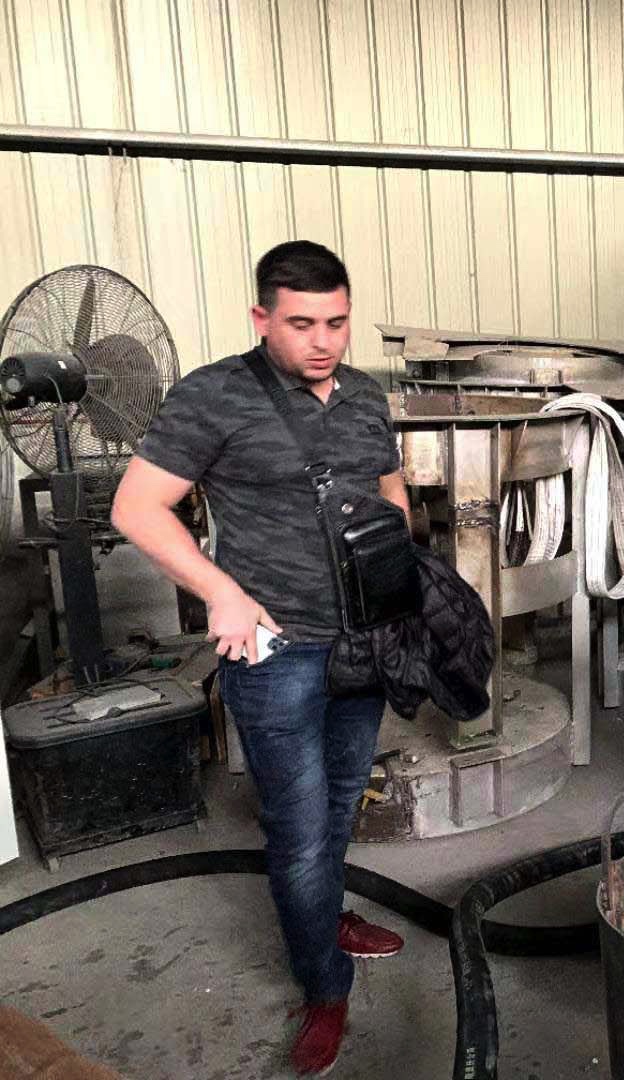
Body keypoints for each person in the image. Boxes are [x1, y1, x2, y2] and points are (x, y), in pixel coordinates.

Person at [112, 241, 409, 1076]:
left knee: (341, 803)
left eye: (337, 323)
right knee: (300, 831)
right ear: (261, 317)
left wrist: (400, 578)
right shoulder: (215, 395)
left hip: (362, 644)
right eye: (302, 324)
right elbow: (137, 507)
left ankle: (326, 918)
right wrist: (221, 591)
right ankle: (324, 985)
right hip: (275, 652)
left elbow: (388, 489)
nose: (324, 341)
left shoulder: (366, 394)